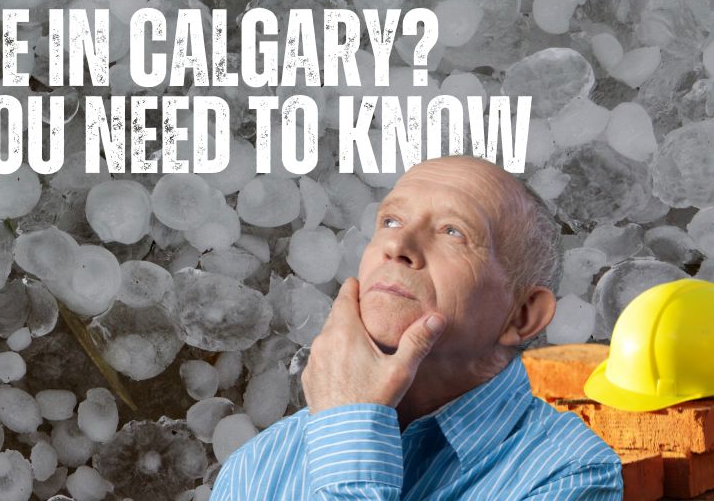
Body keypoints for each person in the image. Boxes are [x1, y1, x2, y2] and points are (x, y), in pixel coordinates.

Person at [211, 155, 622, 500]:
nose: (397, 246)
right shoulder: (256, 466)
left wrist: (353, 431)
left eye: (453, 232)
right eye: (390, 221)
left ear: (522, 315)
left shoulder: (570, 473)